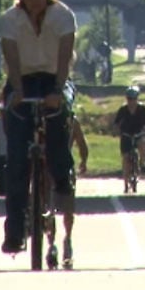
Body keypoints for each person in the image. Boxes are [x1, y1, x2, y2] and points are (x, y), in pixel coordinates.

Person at [0, 0, 78, 256]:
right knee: (17, 159)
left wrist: (57, 91)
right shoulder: (10, 19)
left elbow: (65, 56)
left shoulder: (62, 16)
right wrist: (16, 91)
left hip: (54, 79)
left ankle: (62, 182)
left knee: (57, 146)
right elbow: (11, 57)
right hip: (23, 81)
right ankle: (15, 232)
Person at [59, 113, 89, 268]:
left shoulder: (72, 122)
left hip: (65, 163)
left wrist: (83, 161)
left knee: (68, 208)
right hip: (46, 162)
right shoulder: (41, 118)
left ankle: (68, 238)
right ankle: (50, 241)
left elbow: (82, 143)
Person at [113, 85, 145, 193]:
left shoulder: (143, 109)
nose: (131, 101)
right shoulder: (123, 110)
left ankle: (142, 163)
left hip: (139, 134)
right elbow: (116, 123)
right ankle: (126, 182)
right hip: (126, 135)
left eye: (134, 99)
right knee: (125, 158)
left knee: (142, 143)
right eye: (129, 99)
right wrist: (116, 131)